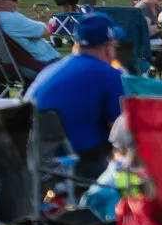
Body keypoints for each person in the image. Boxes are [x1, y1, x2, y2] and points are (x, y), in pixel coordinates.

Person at [26, 12, 127, 184]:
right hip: (82, 163)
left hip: (37, 160)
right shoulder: (109, 75)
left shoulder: (51, 69)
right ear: (108, 47)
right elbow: (120, 131)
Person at [0, 0, 57, 66]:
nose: (17, 2)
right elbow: (46, 31)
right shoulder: (12, 19)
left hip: (19, 63)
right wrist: (34, 35)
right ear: (2, 3)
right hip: (42, 62)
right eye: (14, 0)